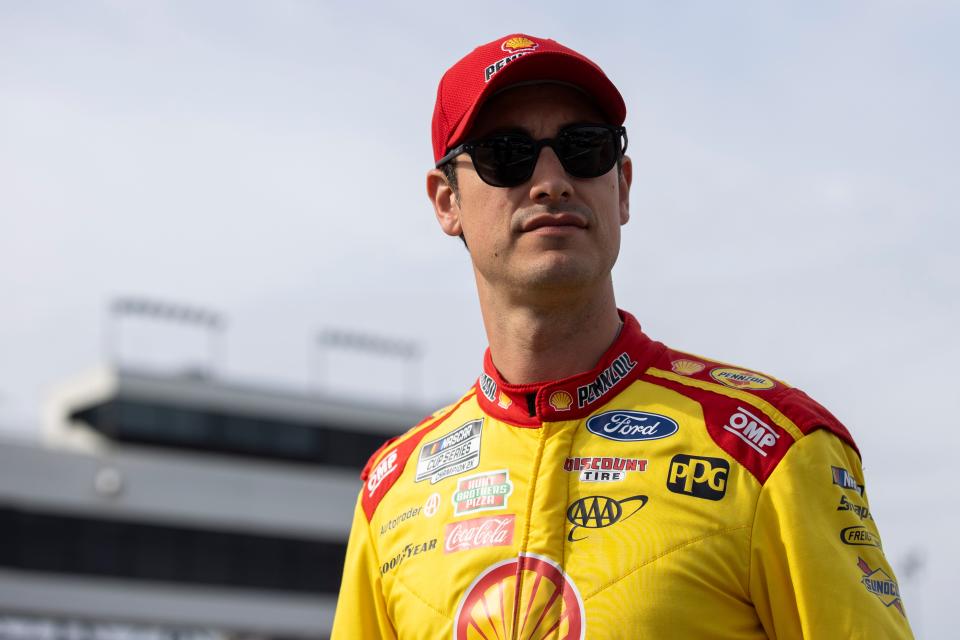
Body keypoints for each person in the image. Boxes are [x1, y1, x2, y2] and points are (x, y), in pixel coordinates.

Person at [331, 34, 913, 639]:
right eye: (507, 153)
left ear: (623, 186)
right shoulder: (392, 493)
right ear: (446, 200)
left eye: (585, 149)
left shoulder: (769, 450)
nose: (553, 180)